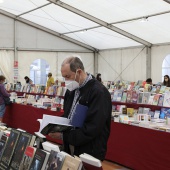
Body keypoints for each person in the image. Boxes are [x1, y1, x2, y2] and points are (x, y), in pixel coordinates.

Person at [48, 56, 112, 161]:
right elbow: (68, 114)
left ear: (79, 71)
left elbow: (93, 127)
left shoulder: (99, 92)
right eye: (64, 77)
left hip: (89, 151)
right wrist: (54, 125)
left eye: (68, 76)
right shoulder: (71, 90)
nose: (66, 81)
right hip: (71, 146)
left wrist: (63, 136)